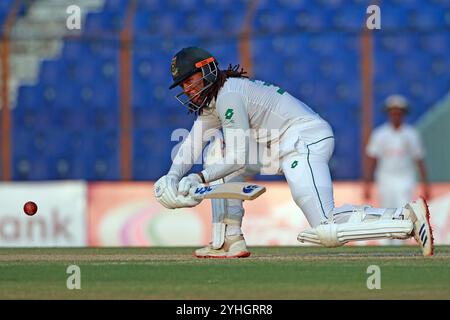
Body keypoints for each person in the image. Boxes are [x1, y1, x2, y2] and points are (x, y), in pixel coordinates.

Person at [153, 47, 434, 258]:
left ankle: (405, 218)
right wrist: (172, 177)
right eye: (183, 85)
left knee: (326, 228)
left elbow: (238, 157)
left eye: (191, 80)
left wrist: (199, 178)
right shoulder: (216, 101)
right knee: (217, 150)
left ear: (208, 71)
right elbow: (193, 142)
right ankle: (229, 239)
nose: (188, 90)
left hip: (305, 139)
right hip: (277, 145)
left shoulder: (229, 95)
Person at [364, 94, 430, 207]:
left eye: (399, 112)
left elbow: (419, 159)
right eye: (393, 112)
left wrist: (426, 185)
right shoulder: (380, 134)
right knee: (387, 212)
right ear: (388, 113)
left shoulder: (411, 134)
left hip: (405, 178)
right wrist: (367, 184)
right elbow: (372, 159)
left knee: (404, 210)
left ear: (403, 114)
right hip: (385, 178)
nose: (396, 115)